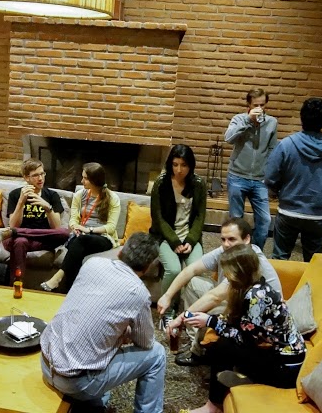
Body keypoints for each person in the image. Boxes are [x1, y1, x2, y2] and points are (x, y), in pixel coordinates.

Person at [40, 233, 166, 413]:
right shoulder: (139, 292)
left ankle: (91, 403)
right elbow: (145, 343)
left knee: (102, 345)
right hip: (76, 382)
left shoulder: (92, 263)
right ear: (146, 268)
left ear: (120, 252)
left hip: (45, 363)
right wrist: (126, 332)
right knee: (157, 354)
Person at [181, 244, 306, 413]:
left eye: (228, 271)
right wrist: (211, 320)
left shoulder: (256, 297)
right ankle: (246, 379)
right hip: (273, 351)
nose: (225, 275)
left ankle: (212, 407)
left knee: (221, 347)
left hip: (285, 366)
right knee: (220, 344)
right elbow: (240, 324)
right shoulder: (252, 287)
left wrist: (210, 321)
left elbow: (243, 338)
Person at [160, 217, 282, 367]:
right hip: (237, 297)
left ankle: (199, 351)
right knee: (194, 283)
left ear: (246, 239)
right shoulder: (227, 250)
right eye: (223, 239)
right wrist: (167, 296)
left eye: (232, 239)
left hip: (256, 311)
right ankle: (196, 340)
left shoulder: (249, 260)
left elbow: (215, 297)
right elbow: (192, 269)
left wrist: (181, 318)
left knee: (206, 309)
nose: (226, 244)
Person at [265, 98, 322, 262]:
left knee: (280, 259)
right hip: (317, 214)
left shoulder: (287, 144)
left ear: (302, 117)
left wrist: (278, 191)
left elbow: (270, 177)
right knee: (313, 262)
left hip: (288, 211)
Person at [40, 162, 121, 293]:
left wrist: (88, 230)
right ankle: (72, 292)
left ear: (95, 180)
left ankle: (58, 278)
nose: (82, 181)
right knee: (78, 248)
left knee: (80, 241)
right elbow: (73, 219)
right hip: (80, 235)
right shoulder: (79, 195)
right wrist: (75, 226)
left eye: (85, 178)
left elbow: (111, 227)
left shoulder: (112, 198)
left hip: (103, 237)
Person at [150, 144, 207, 325]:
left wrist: (191, 240)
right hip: (165, 236)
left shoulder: (198, 184)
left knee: (196, 271)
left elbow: (200, 216)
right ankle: (167, 310)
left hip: (189, 236)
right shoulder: (161, 183)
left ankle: (192, 312)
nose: (179, 170)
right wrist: (174, 241)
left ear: (190, 166)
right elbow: (158, 218)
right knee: (174, 269)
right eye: (175, 165)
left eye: (183, 165)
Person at [0, 159, 70, 282]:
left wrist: (47, 207)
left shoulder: (52, 195)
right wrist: (21, 202)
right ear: (26, 177)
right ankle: (17, 284)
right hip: (20, 240)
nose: (40, 178)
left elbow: (56, 228)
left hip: (43, 239)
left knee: (65, 233)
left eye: (42, 174)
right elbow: (14, 224)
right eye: (35, 175)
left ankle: (13, 233)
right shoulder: (15, 195)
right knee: (20, 241)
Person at [225, 87, 278, 249]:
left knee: (265, 220)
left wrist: (268, 174)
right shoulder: (239, 119)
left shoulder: (272, 122)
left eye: (262, 105)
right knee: (236, 219)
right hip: (237, 176)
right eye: (256, 105)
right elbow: (228, 138)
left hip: (259, 179)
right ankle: (236, 252)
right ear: (248, 105)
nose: (259, 108)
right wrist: (248, 120)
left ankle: (255, 252)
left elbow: (272, 149)